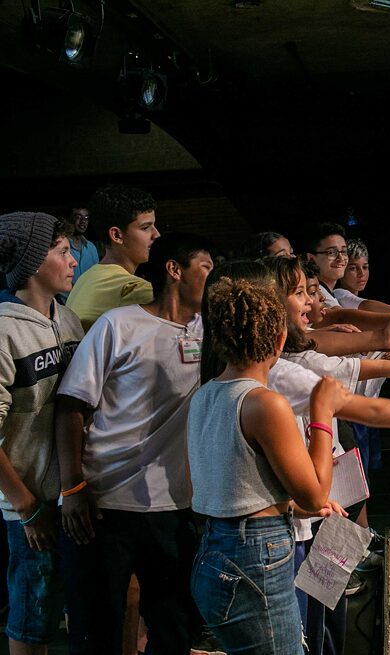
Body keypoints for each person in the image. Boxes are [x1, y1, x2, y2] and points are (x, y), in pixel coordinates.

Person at [189, 275, 390, 653]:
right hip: (257, 556)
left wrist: (291, 502)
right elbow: (314, 494)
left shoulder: (206, 395)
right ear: (279, 338)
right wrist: (322, 415)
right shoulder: (265, 402)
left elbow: (234, 482)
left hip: (215, 550)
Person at [55, 233, 213, 654]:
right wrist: (72, 487)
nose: (213, 278)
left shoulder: (210, 334)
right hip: (104, 505)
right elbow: (71, 406)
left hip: (174, 507)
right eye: (206, 268)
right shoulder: (119, 324)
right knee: (97, 630)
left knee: (175, 628)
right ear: (174, 271)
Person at [0, 212, 84, 655]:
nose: (73, 262)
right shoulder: (4, 331)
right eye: (63, 252)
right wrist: (26, 506)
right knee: (33, 619)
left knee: (60, 610)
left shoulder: (67, 320)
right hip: (30, 503)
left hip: (67, 495)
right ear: (34, 262)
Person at [66, 184, 160, 331]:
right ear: (117, 235)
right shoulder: (133, 289)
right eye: (145, 228)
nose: (156, 234)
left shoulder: (86, 278)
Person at [67, 207, 99, 287]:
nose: (83, 221)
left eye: (86, 218)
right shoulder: (62, 246)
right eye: (78, 217)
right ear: (70, 219)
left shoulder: (91, 248)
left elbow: (96, 276)